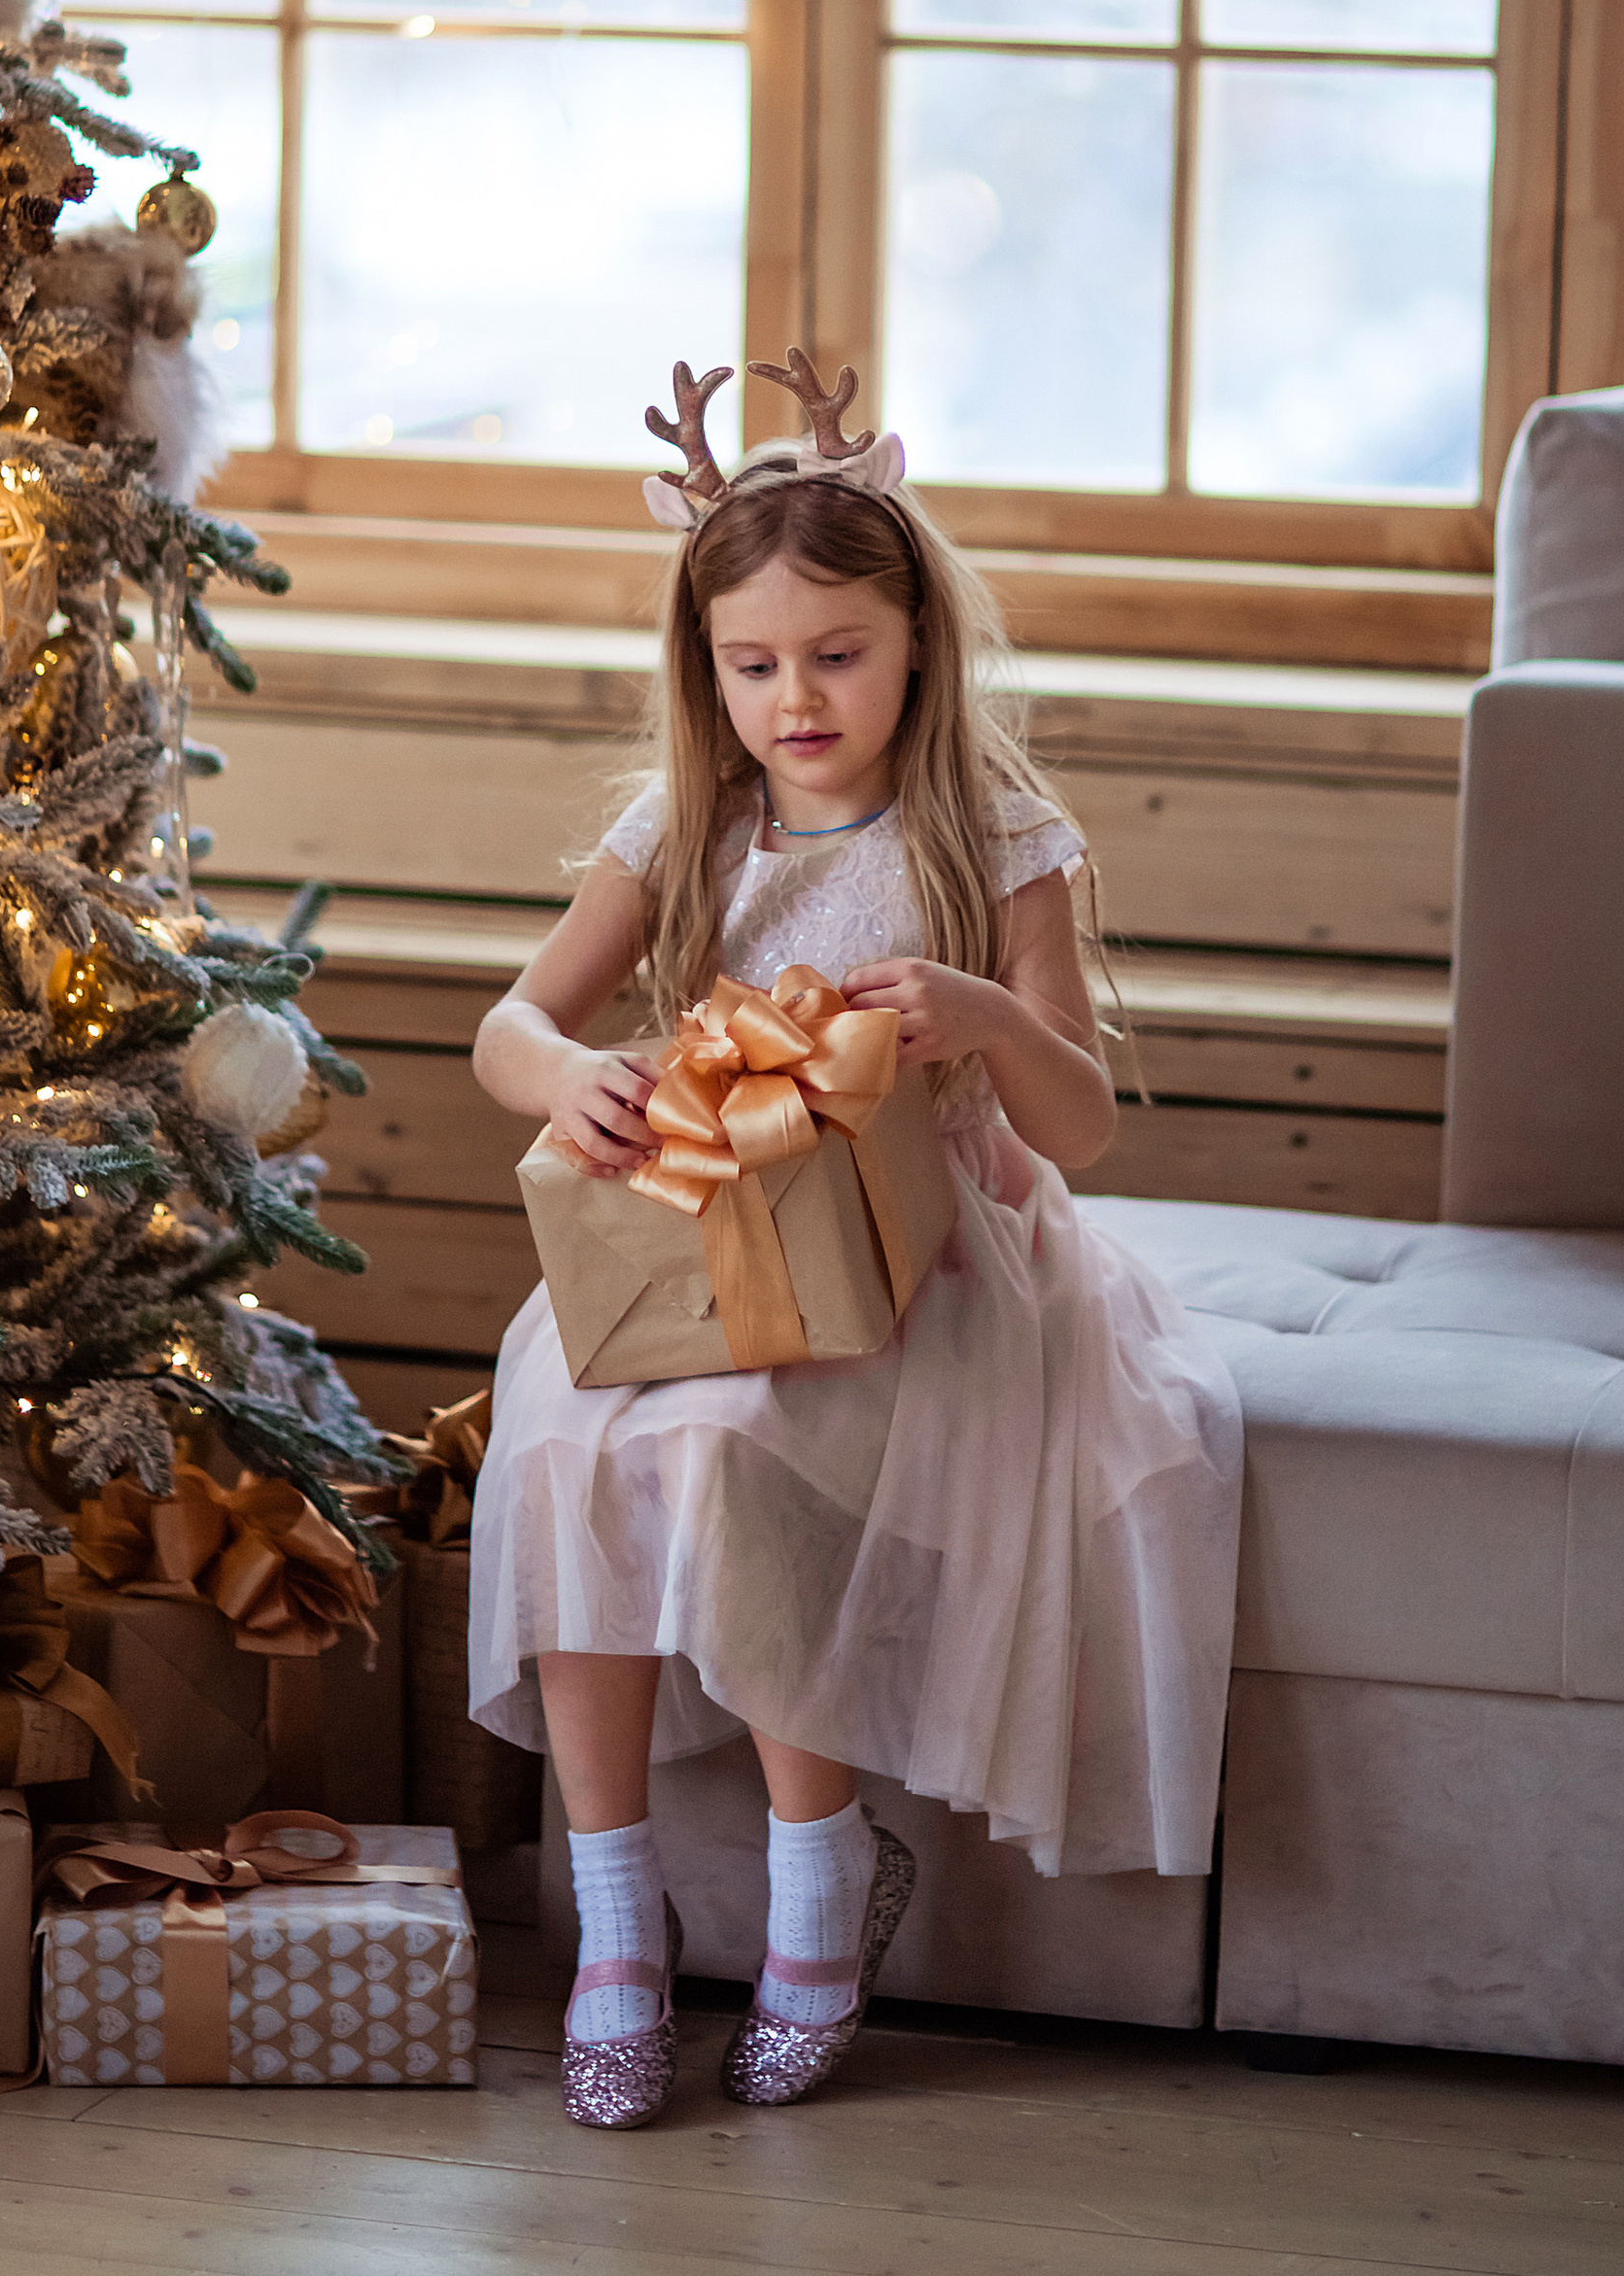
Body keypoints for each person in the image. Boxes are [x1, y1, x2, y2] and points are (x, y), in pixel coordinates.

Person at [467, 351, 1243, 2130]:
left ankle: (824, 1899)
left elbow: (1082, 1127)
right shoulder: (692, 826)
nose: (796, 699)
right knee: (578, 1445)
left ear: (913, 648)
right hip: (704, 1233)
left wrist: (982, 1013)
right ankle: (615, 1927)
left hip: (923, 1263)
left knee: (734, 1450)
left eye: (837, 657)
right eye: (754, 664)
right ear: (707, 668)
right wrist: (571, 1073)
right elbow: (511, 1023)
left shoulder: (1004, 839)